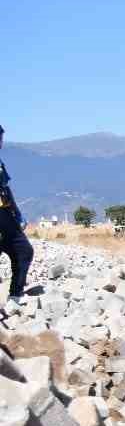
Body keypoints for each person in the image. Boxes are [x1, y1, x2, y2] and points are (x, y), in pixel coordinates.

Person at [0, 125, 34, 303]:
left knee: (24, 251)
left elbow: (5, 189)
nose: (1, 143)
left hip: (5, 215)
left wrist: (18, 214)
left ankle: (15, 296)